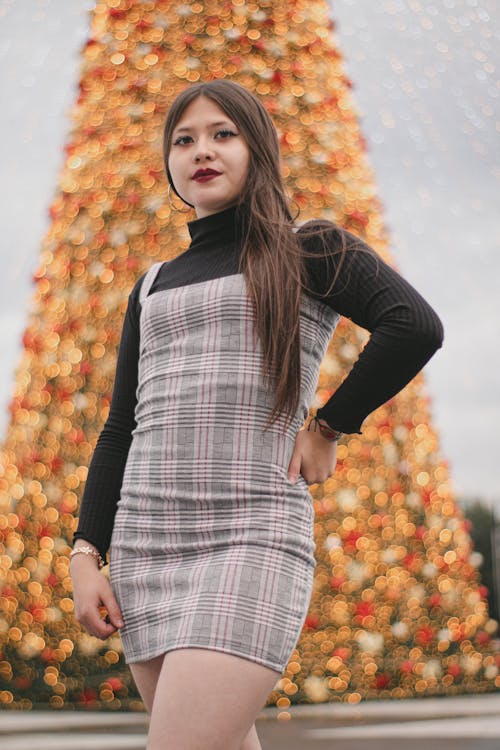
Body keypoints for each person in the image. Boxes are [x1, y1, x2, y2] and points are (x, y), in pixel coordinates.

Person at [70, 79, 444, 750]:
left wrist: (331, 424)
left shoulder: (307, 248)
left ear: (259, 150)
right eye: (183, 140)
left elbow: (413, 325)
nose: (201, 151)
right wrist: (85, 553)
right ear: (169, 163)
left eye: (222, 134)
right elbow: (120, 427)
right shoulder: (152, 284)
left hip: (250, 535)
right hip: (145, 547)